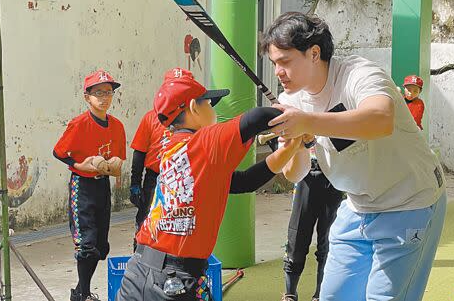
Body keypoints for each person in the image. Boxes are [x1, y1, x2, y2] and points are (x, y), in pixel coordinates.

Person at [260, 12, 447, 301]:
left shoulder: (359, 74)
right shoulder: (291, 100)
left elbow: (380, 119)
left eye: (285, 62)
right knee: (333, 296)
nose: (278, 72)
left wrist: (308, 122)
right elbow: (294, 174)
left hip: (410, 202)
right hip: (358, 207)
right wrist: (292, 145)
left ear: (313, 53)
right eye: (274, 63)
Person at [117, 68, 313, 301]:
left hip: (138, 272)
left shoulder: (174, 149)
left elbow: (244, 182)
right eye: (209, 104)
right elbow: (256, 118)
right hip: (173, 279)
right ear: (193, 107)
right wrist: (300, 117)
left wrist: (291, 147)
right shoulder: (204, 142)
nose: (214, 111)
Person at [53, 70, 126, 301]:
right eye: (98, 93)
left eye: (108, 92)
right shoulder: (79, 124)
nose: (104, 98)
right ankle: (83, 295)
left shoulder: (117, 126)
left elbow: (117, 160)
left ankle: (79, 291)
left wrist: (115, 167)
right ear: (87, 97)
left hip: (101, 187)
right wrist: (78, 165)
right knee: (86, 246)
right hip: (82, 187)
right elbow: (58, 152)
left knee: (100, 248)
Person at [281, 151, 343, 301]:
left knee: (328, 241)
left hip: (334, 175)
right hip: (306, 174)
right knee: (297, 237)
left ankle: (320, 295)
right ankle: (290, 294)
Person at [129, 109, 170, 250]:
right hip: (154, 178)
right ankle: (139, 254)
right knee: (145, 219)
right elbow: (140, 152)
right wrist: (135, 184)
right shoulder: (151, 117)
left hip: (180, 178)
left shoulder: (191, 116)